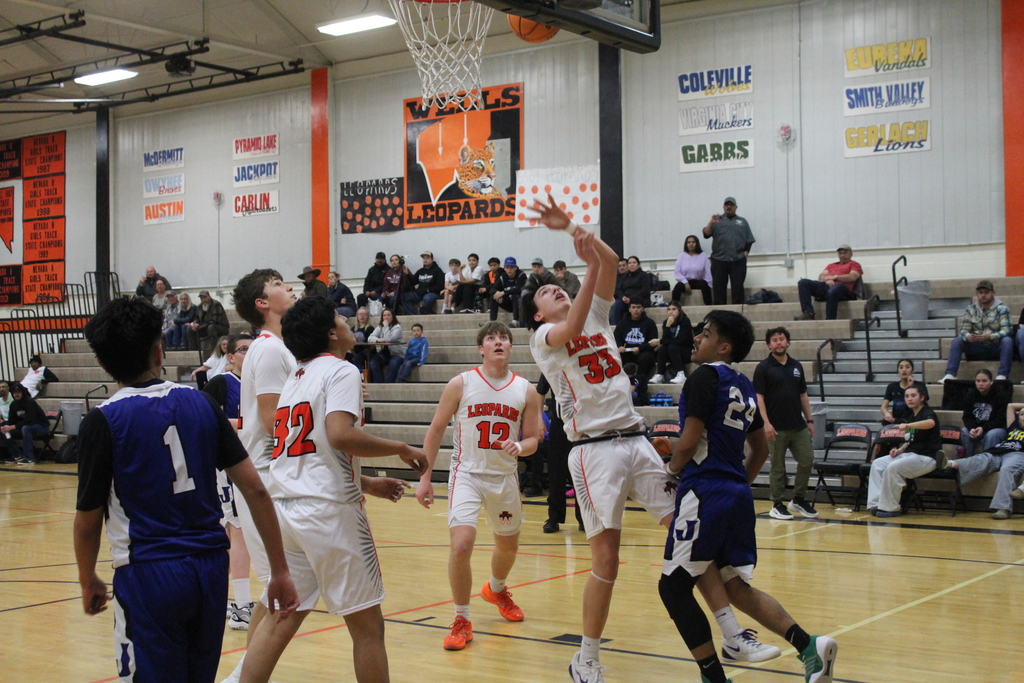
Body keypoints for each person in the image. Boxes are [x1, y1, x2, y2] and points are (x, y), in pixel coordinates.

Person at [521, 198, 767, 681]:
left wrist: (572, 227)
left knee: (690, 534)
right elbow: (575, 319)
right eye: (546, 292)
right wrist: (588, 263)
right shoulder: (543, 337)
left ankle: (732, 632)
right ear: (537, 315)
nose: (554, 289)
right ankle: (586, 657)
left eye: (557, 285)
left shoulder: (595, 315)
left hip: (635, 439)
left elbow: (611, 260)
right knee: (606, 559)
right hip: (592, 451)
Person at [73, 297, 298, 683]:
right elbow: (256, 491)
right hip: (209, 569)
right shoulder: (201, 403)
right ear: (159, 351)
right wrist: (279, 569)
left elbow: (87, 521)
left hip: (149, 572)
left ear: (102, 363)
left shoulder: (102, 421)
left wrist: (87, 578)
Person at [239, 295, 427, 683]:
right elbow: (340, 435)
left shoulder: (295, 378)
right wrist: (401, 448)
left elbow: (312, 452)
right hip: (329, 514)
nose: (347, 322)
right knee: (368, 629)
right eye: (341, 319)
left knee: (279, 619)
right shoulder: (342, 370)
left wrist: (367, 483)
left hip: (286, 509)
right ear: (330, 333)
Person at [661, 309, 836, 683]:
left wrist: (671, 469)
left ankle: (714, 677)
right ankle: (809, 646)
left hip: (704, 491)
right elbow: (760, 450)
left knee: (673, 587)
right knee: (734, 586)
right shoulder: (742, 384)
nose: (697, 338)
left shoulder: (702, 378)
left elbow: (688, 444)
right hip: (737, 494)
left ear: (723, 347)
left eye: (706, 334)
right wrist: (736, 484)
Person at [416, 321, 544, 651]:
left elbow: (534, 438)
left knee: (508, 547)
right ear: (481, 348)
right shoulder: (461, 383)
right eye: (491, 338)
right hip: (467, 475)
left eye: (503, 338)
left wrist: (521, 446)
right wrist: (425, 477)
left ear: (511, 347)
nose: (498, 342)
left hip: (504, 477)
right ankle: (462, 618)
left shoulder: (526, 390)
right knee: (461, 545)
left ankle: (496, 589)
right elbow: (435, 430)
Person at [222, 268, 300, 683]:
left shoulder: (279, 347)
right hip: (269, 476)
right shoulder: (269, 349)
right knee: (283, 592)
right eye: (279, 284)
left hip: (274, 475)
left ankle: (240, 675)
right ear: (262, 303)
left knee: (276, 594)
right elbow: (274, 421)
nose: (290, 288)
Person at [202, 333, 254, 630]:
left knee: (233, 535)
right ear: (230, 357)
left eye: (253, 349)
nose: (249, 354)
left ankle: (217, 599)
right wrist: (249, 424)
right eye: (243, 350)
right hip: (229, 466)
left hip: (256, 462)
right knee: (239, 530)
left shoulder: (263, 383)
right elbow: (207, 419)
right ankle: (242, 606)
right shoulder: (221, 383)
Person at [753, 327, 817, 521]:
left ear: (788, 342)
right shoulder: (763, 368)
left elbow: (803, 394)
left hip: (798, 425)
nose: (778, 343)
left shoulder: (796, 366)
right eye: (774, 340)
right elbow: (759, 398)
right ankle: (777, 504)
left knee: (807, 460)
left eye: (781, 339)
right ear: (769, 345)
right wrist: (765, 423)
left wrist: (810, 420)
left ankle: (798, 499)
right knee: (778, 467)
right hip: (775, 427)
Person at [866, 385, 942, 517]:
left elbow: (930, 423)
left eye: (913, 395)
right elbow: (910, 439)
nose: (909, 399)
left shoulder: (927, 412)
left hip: (927, 457)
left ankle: (891, 508)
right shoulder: (912, 416)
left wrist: (908, 425)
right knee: (877, 464)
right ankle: (876, 503)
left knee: (893, 467)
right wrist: (899, 450)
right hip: (910, 455)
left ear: (922, 398)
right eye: (907, 396)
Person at [947, 402, 1024, 519]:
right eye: (1022, 414)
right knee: (981, 459)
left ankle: (1003, 508)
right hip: (999, 450)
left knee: (1007, 469)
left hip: (1018, 454)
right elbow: (1010, 406)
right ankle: (949, 463)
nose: (1023, 417)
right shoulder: (1014, 426)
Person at [535, 374, 584, 534]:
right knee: (556, 472)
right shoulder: (551, 365)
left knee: (582, 473)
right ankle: (554, 517)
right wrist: (539, 419)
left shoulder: (581, 365)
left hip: (582, 424)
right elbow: (540, 391)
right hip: (559, 424)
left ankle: (584, 518)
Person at [941, 280, 1013, 381]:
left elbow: (1007, 330)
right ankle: (950, 374)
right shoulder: (971, 309)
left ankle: (1002, 375)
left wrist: (990, 336)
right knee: (957, 341)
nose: (983, 295)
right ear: (977, 294)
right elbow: (963, 330)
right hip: (977, 345)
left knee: (1007, 341)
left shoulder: (1002, 308)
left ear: (993, 293)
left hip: (995, 345)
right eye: (980, 292)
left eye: (986, 292)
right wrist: (968, 336)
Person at [702, 197, 754, 306]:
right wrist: (711, 222)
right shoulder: (716, 220)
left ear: (736, 207)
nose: (729, 207)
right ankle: (720, 313)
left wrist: (746, 252)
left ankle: (738, 312)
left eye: (731, 205)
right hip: (719, 260)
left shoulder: (743, 221)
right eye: (727, 205)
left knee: (738, 288)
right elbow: (706, 234)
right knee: (719, 289)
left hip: (738, 260)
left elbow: (749, 240)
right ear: (723, 207)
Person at [795, 245, 863, 321]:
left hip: (843, 288)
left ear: (851, 254)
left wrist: (835, 277)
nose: (842, 255)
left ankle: (830, 319)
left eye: (845, 253)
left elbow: (853, 277)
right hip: (828, 286)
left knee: (833, 290)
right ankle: (808, 313)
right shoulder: (831, 265)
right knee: (803, 283)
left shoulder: (854, 264)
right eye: (840, 253)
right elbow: (821, 277)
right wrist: (827, 280)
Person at [613, 298, 659, 406]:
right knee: (616, 356)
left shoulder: (650, 323)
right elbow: (616, 337)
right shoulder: (622, 323)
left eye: (638, 307)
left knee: (647, 358)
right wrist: (620, 346)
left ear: (643, 309)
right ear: (629, 309)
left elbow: (653, 342)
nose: (636, 310)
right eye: (633, 307)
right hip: (627, 352)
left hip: (643, 351)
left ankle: (639, 383)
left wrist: (640, 349)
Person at [959, 369, 1009, 456]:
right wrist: (971, 428)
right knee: (964, 431)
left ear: (991, 382)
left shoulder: (1000, 395)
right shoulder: (970, 395)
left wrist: (984, 428)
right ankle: (967, 459)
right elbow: (967, 417)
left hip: (995, 428)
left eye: (984, 381)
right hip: (977, 428)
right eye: (978, 381)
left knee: (992, 434)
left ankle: (988, 459)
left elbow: (1001, 420)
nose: (980, 384)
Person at [1, 382, 49, 465]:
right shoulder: (13, 405)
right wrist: (5, 426)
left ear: (22, 393)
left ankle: (29, 458)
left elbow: (30, 421)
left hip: (40, 426)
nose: (17, 394)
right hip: (24, 426)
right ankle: (17, 455)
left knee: (26, 428)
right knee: (5, 431)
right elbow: (12, 421)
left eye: (19, 392)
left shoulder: (29, 402)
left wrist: (12, 427)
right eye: (15, 393)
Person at [650, 301, 692, 385]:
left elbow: (680, 341)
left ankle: (681, 374)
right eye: (669, 309)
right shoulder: (666, 322)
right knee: (662, 349)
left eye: (674, 309)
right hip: (672, 351)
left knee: (671, 347)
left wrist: (659, 341)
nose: (671, 312)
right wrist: (668, 326)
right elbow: (665, 340)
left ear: (679, 311)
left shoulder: (685, 321)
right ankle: (660, 375)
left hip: (686, 351)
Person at [880, 359, 929, 424]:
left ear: (913, 370)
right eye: (901, 367)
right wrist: (887, 414)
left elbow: (922, 405)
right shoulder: (892, 386)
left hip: (915, 421)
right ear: (898, 371)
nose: (904, 370)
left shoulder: (920, 386)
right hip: (897, 421)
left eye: (907, 367)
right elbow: (883, 407)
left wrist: (911, 386)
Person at [609, 256, 651, 325]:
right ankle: (614, 327)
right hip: (625, 300)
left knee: (635, 306)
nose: (632, 265)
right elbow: (619, 289)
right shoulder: (625, 276)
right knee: (616, 306)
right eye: (630, 263)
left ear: (638, 264)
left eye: (634, 263)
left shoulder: (644, 275)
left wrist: (631, 299)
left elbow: (645, 290)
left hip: (640, 299)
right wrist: (622, 297)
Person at [672, 235, 713, 306]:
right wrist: (685, 282)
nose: (691, 244)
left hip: (699, 281)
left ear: (697, 243)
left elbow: (708, 272)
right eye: (689, 242)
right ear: (686, 244)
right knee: (677, 288)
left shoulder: (703, 255)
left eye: (693, 242)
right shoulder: (681, 256)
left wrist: (709, 284)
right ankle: (674, 307)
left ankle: (709, 306)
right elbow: (677, 272)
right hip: (685, 281)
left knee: (705, 286)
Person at [368, 308, 405, 383]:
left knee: (393, 364)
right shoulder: (380, 327)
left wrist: (386, 327)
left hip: (397, 354)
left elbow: (389, 339)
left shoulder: (397, 328)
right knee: (373, 362)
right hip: (384, 353)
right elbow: (370, 337)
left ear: (393, 317)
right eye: (384, 315)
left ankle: (388, 384)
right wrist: (378, 340)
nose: (386, 317)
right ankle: (379, 384)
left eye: (388, 315)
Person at [190, 290, 231, 355]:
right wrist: (194, 324)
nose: (203, 299)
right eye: (201, 298)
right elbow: (197, 318)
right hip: (205, 327)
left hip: (221, 327)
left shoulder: (216, 304)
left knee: (211, 327)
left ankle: (214, 350)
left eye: (205, 297)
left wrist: (200, 326)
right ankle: (193, 350)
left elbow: (215, 321)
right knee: (189, 329)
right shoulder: (200, 307)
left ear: (209, 297)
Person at [490, 257, 526, 323]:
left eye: (511, 267)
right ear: (504, 268)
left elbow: (519, 289)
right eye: (507, 267)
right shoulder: (502, 276)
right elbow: (492, 289)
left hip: (519, 304)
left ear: (515, 268)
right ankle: (492, 321)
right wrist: (498, 293)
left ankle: (515, 320)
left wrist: (503, 292)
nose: (509, 270)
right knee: (494, 296)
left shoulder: (521, 275)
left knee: (515, 294)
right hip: (508, 303)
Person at [348, 307, 376, 376]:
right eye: (360, 314)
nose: (362, 316)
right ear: (357, 316)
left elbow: (371, 345)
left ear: (367, 316)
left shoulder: (370, 328)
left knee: (358, 356)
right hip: (356, 351)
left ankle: (358, 375)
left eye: (364, 314)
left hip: (368, 352)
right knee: (347, 356)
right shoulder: (354, 329)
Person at [0, 380, 14, 462]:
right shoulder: (0, 400)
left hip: (13, 422)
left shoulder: (13, 398)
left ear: (8, 388)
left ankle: (16, 455)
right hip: (4, 422)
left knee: (5, 431)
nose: (1, 389)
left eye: (3, 387)